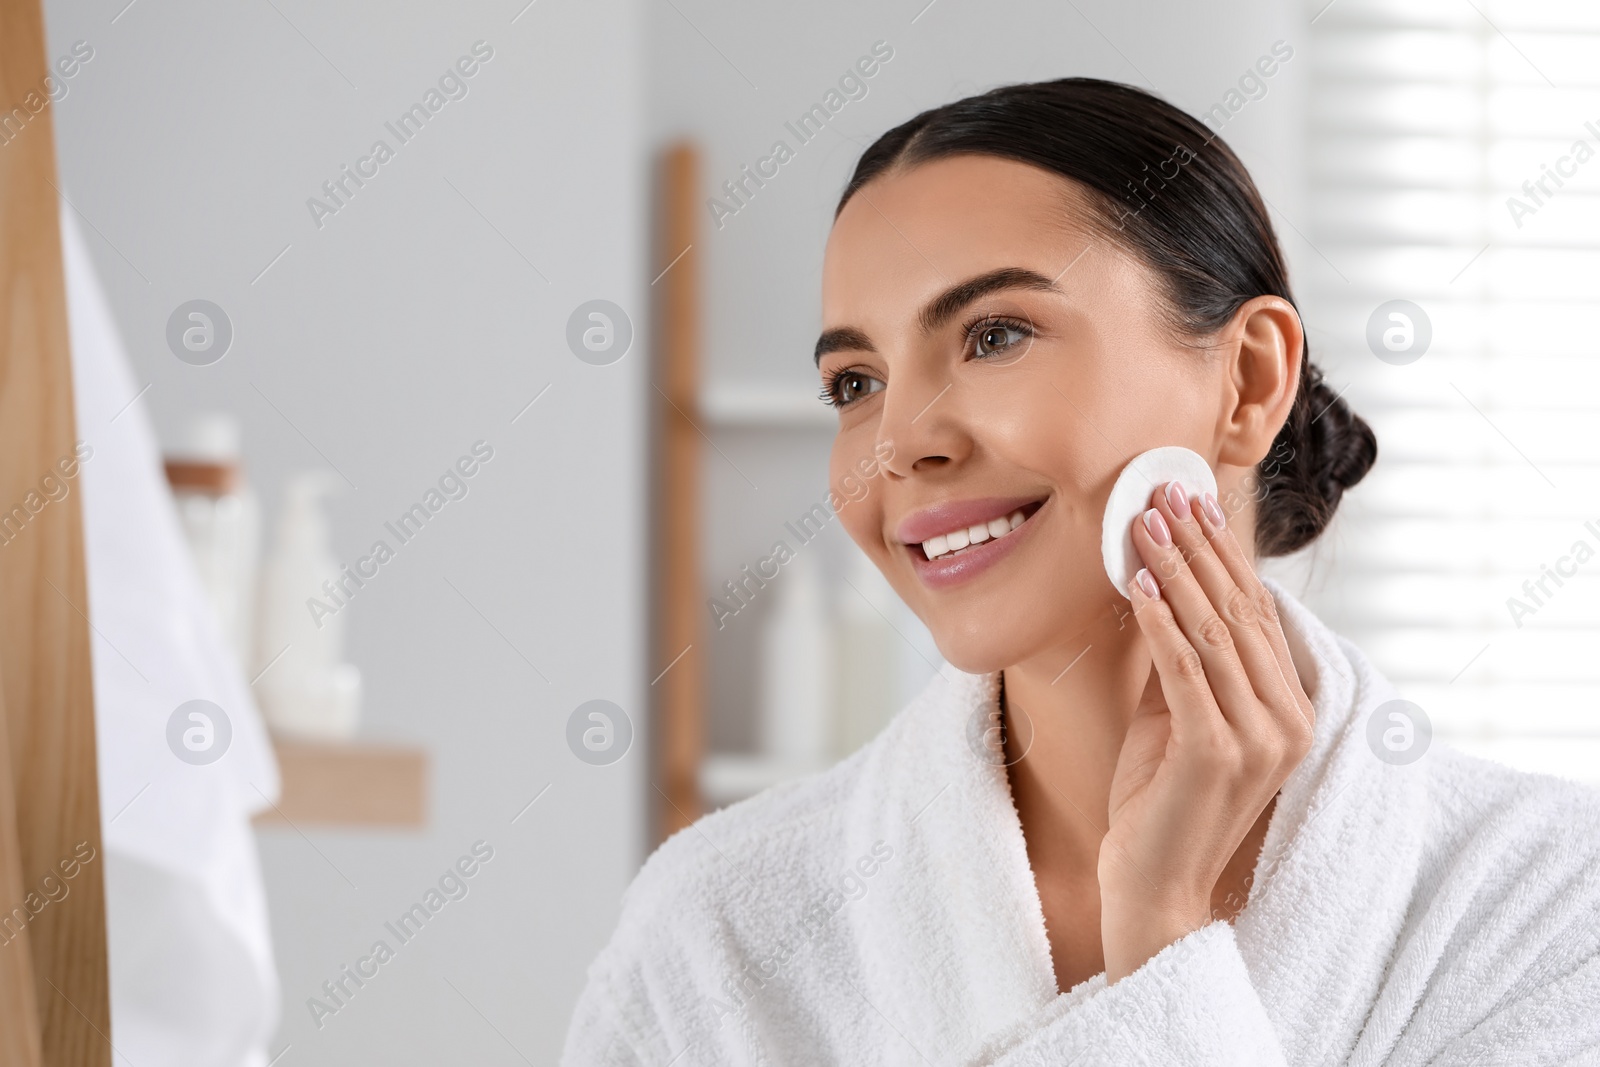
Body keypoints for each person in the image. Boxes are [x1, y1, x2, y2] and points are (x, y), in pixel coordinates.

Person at [563, 78, 1600, 1064]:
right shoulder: (715, 934)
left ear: (1247, 379)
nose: (898, 443)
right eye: (855, 381)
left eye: (994, 334)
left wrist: (1156, 933)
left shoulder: (1547, 901)